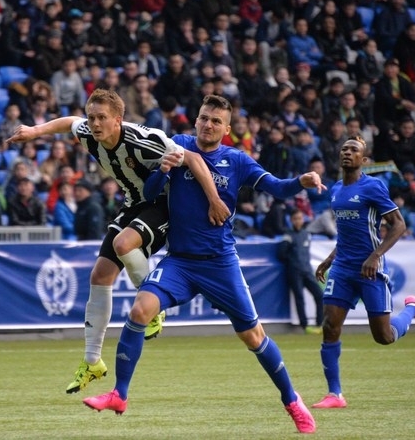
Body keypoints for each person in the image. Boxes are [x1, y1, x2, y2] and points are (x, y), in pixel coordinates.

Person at [82, 95, 322, 434]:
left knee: (254, 337)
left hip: (220, 264)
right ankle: (119, 395)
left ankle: (292, 400)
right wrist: (163, 169)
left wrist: (301, 182)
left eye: (216, 121)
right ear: (196, 120)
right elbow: (150, 194)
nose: (208, 125)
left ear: (227, 129)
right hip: (179, 262)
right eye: (204, 118)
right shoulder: (176, 145)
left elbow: (277, 189)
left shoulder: (237, 161)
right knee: (139, 311)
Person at [6, 89, 230, 394]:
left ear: (118, 120)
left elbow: (193, 158)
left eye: (102, 118)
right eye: (92, 117)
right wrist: (34, 131)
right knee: (100, 275)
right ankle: (92, 361)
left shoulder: (142, 139)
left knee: (124, 244)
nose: (95, 123)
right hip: (134, 204)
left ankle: (153, 305)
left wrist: (214, 200)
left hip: (164, 203)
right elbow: (69, 122)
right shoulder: (89, 132)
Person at [313, 135, 415, 409]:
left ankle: (413, 309)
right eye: (344, 149)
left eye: (353, 150)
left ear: (364, 159)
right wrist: (329, 259)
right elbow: (347, 233)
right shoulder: (336, 189)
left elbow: (398, 225)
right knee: (330, 326)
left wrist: (375, 256)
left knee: (384, 337)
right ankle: (335, 394)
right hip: (343, 268)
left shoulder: (372, 187)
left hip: (370, 270)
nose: (347, 153)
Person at [278, 208, 324, 334]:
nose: (298, 221)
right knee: (300, 298)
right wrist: (292, 262)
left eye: (300, 218)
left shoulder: (306, 234)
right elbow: (281, 254)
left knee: (319, 295)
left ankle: (320, 324)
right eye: (295, 219)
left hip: (307, 270)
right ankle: (305, 326)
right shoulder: (288, 235)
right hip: (294, 271)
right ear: (291, 220)